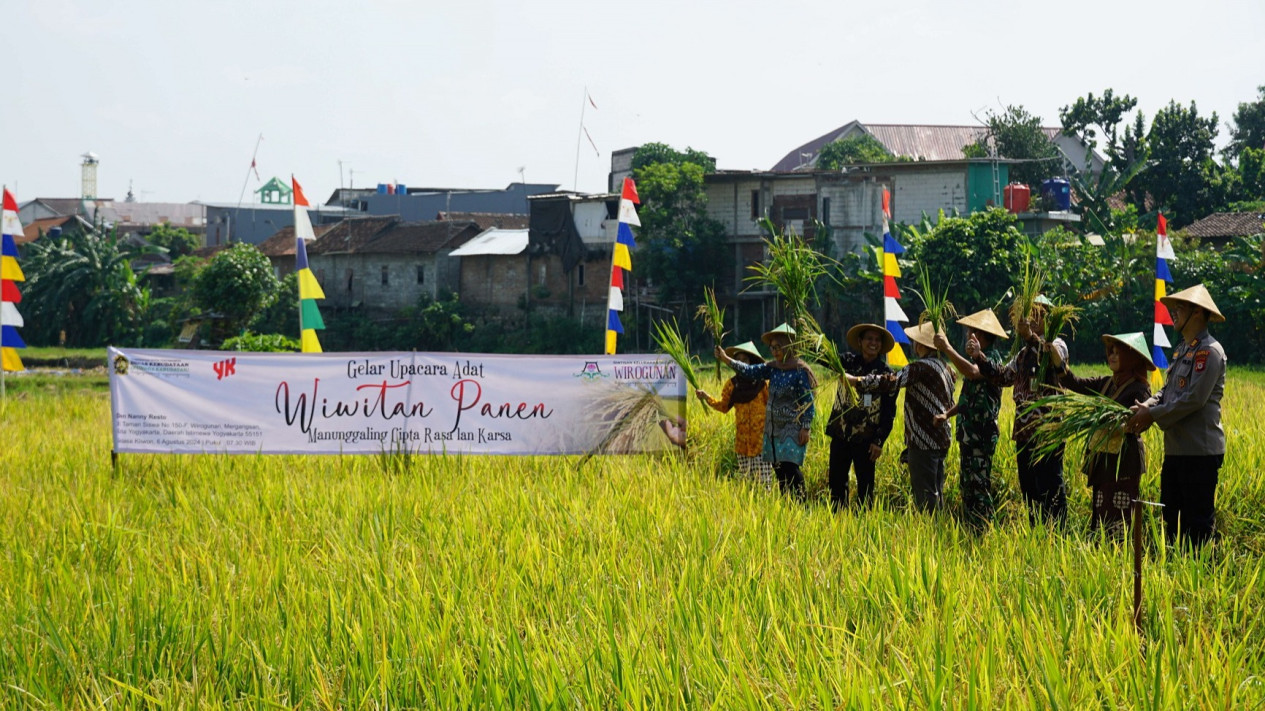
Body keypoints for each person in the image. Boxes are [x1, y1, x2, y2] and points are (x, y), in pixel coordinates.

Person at [1125, 284, 1227, 547]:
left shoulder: (1209, 352)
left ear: (1197, 313)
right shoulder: (1182, 350)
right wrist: (1146, 406)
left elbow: (1193, 399)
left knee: (1197, 525)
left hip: (1199, 453)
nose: (1174, 313)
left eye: (1180, 308)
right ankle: (1175, 576)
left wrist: (1152, 415)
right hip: (1176, 451)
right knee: (1171, 519)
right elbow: (1167, 391)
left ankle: (1200, 581)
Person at [976, 296, 1070, 525]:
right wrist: (979, 357)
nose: (1033, 320)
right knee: (1030, 491)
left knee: (1051, 488)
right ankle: (1037, 536)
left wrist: (1030, 337)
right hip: (1025, 434)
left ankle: (1058, 537)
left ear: (1048, 318)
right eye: (1030, 314)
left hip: (1048, 432)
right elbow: (1001, 376)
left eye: (1039, 314)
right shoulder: (1022, 355)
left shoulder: (1057, 345)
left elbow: (1053, 361)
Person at [1050, 332, 1153, 535]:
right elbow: (1074, 382)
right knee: (1100, 515)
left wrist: (1122, 424)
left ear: (1131, 357)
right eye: (1110, 351)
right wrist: (1058, 360)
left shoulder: (1140, 390)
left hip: (1124, 463)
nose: (1112, 356)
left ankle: (1120, 560)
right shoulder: (1105, 383)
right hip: (1102, 460)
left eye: (1118, 352)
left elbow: (1141, 421)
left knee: (1120, 521)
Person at [847, 322, 956, 512]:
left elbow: (891, 382)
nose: (913, 345)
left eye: (914, 341)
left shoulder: (919, 367)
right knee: (937, 491)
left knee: (925, 495)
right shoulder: (946, 368)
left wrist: (858, 381)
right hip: (941, 439)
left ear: (921, 345)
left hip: (924, 440)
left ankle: (930, 533)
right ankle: (939, 529)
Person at [714, 323, 816, 499]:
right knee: (779, 470)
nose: (775, 351)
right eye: (772, 348)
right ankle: (788, 507)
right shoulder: (772, 368)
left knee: (791, 468)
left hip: (792, 428)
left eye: (779, 347)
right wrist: (726, 359)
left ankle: (802, 505)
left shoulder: (800, 371)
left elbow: (808, 402)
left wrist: (806, 427)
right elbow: (749, 370)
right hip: (773, 429)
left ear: (789, 347)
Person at [932, 309, 1008, 527]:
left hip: (981, 436)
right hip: (968, 435)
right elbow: (968, 399)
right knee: (967, 486)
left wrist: (947, 348)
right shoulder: (977, 361)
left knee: (979, 486)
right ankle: (970, 528)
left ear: (981, 336)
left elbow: (973, 373)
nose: (968, 337)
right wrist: (947, 413)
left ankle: (985, 531)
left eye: (971, 333)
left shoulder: (991, 360)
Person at [825, 324, 897, 510]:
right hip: (841, 433)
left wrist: (879, 440)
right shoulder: (847, 362)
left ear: (881, 345)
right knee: (836, 483)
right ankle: (838, 522)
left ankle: (864, 525)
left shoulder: (886, 374)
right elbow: (825, 358)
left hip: (867, 438)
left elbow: (889, 411)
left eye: (877, 340)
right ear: (860, 342)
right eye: (869, 339)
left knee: (865, 486)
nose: (873, 343)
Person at [697, 341, 772, 488]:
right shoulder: (732, 385)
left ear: (752, 362)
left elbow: (771, 407)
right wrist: (707, 398)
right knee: (747, 485)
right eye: (738, 360)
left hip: (761, 442)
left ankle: (765, 509)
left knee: (764, 485)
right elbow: (724, 407)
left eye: (745, 360)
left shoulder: (762, 384)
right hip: (742, 442)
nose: (741, 363)